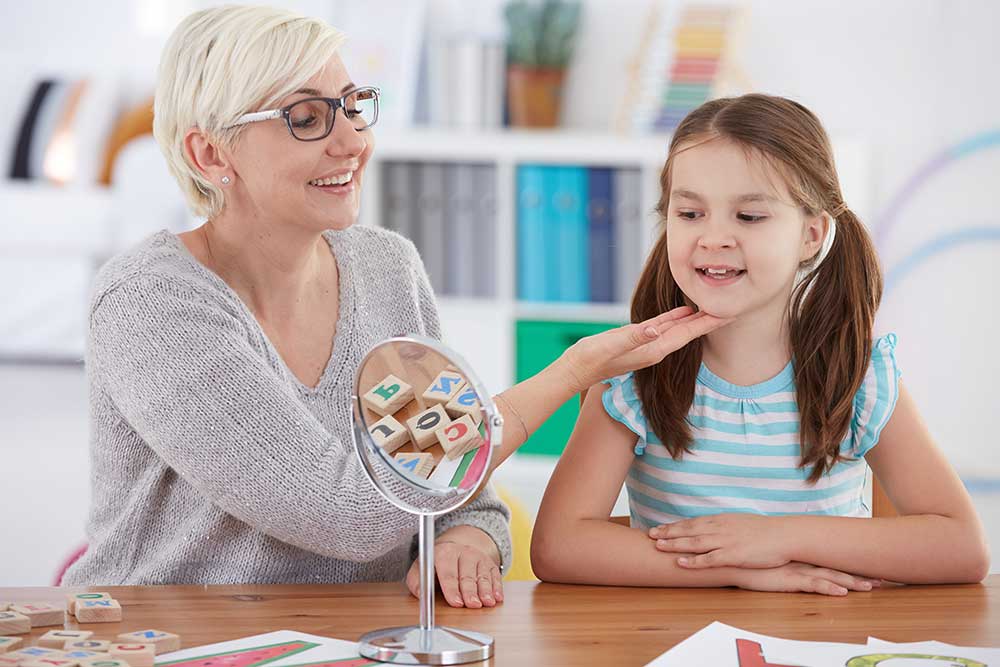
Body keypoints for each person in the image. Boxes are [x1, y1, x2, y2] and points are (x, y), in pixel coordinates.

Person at [62, 5, 730, 609]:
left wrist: (466, 537)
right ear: (211, 153)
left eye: (352, 105)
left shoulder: (384, 268)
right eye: (306, 117)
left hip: (351, 636)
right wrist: (570, 372)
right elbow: (353, 510)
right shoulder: (150, 306)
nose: (352, 141)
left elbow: (452, 485)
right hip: (163, 639)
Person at [531, 93, 991, 594]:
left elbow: (961, 548)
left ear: (811, 236)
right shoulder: (631, 375)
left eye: (748, 217)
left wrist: (778, 537)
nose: (713, 237)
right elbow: (558, 546)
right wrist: (742, 570)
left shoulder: (858, 376)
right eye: (689, 214)